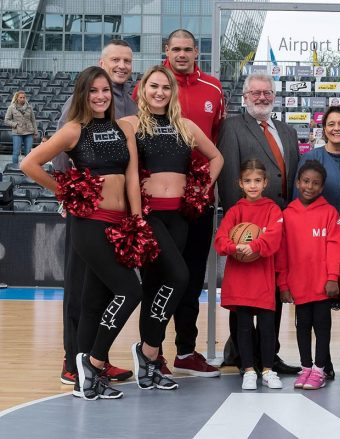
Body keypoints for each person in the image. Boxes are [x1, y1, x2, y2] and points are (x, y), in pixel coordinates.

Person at [20, 66, 142, 400]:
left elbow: (131, 178)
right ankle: (94, 362)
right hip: (89, 223)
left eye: (105, 90)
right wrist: (65, 191)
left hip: (120, 225)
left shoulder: (123, 128)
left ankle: (84, 380)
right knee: (131, 290)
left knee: (93, 301)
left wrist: (136, 220)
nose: (101, 96)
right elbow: (29, 164)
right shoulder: (73, 130)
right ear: (82, 95)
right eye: (93, 91)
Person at [123, 65, 223, 390]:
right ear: (143, 90)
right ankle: (149, 352)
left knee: (159, 287)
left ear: (172, 92)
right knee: (175, 278)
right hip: (149, 216)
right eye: (153, 86)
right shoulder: (131, 125)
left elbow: (216, 157)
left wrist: (201, 188)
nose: (160, 92)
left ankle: (150, 362)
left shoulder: (186, 125)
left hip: (180, 217)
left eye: (165, 88)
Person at [143, 29, 227, 377]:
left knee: (191, 278)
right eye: (175, 48)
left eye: (187, 49)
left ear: (197, 52)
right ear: (167, 50)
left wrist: (202, 187)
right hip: (158, 204)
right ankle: (153, 351)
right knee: (158, 277)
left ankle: (186, 350)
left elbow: (215, 142)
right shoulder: (152, 84)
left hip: (197, 203)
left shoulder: (213, 89)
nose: (181, 54)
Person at [54, 39, 137, 386]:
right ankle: (72, 360)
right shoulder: (84, 96)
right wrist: (67, 194)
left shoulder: (130, 100)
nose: (121, 65)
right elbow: (61, 153)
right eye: (115, 59)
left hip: (115, 215)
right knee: (79, 287)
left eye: (126, 61)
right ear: (101, 61)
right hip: (87, 213)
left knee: (102, 289)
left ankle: (95, 358)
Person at [218, 72, 301, 376]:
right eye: (256, 93)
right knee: (242, 294)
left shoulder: (287, 131)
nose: (262, 97)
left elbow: (289, 180)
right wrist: (237, 226)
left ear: (274, 97)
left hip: (279, 223)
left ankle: (270, 355)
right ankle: (241, 355)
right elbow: (229, 180)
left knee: (273, 293)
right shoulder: (232, 127)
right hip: (248, 225)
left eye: (267, 93)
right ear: (245, 96)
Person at [296, 105, 340, 377]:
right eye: (330, 124)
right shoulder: (311, 158)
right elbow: (298, 200)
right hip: (320, 246)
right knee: (319, 312)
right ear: (323, 129)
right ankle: (320, 365)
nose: (336, 128)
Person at [214, 159, 285, 390]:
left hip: (263, 280)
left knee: (267, 328)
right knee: (242, 327)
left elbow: (274, 237)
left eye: (257, 180)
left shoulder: (273, 210)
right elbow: (220, 239)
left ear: (265, 183)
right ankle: (247, 370)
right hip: (240, 280)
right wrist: (235, 248)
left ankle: (267, 369)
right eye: (247, 181)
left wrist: (254, 246)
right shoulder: (235, 211)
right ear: (240, 184)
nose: (252, 185)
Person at [277, 160, 340, 391]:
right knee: (302, 327)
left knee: (322, 329)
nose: (309, 186)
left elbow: (336, 247)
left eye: (316, 183)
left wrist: (333, 277)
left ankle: (319, 369)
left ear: (322, 187)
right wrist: (283, 283)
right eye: (306, 181)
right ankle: (306, 368)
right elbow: (282, 252)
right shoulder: (287, 214)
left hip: (323, 286)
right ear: (297, 183)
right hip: (299, 286)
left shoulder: (329, 213)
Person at [4, 90, 37, 164]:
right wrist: (15, 124)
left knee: (28, 152)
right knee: (16, 152)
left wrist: (35, 132)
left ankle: (28, 168)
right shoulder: (11, 107)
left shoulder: (29, 107)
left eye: (24, 97)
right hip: (17, 133)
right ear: (17, 98)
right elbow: (6, 120)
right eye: (21, 97)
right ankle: (15, 168)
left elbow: (33, 120)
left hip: (29, 132)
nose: (22, 99)